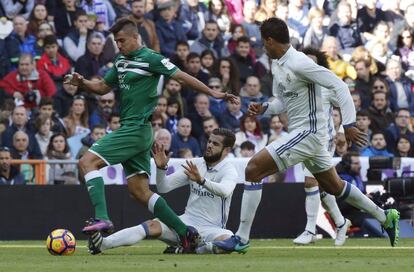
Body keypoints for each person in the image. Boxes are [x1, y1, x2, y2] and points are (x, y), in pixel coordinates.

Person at [214, 18, 400, 253]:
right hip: (305, 136)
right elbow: (283, 101)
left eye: (264, 43)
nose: (263, 47)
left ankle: (240, 238)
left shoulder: (300, 62)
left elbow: (340, 87)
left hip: (309, 134)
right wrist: (265, 108)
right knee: (335, 187)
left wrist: (348, 124)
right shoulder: (278, 64)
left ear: (270, 40)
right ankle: (385, 217)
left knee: (252, 169)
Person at [64, 18, 237, 252]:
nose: (119, 45)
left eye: (122, 40)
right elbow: (103, 87)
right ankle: (186, 232)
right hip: (132, 129)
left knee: (87, 161)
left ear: (136, 37)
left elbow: (181, 76)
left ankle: (102, 217)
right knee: (140, 192)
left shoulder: (152, 58)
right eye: (116, 42)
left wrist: (211, 92)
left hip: (136, 128)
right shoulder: (120, 61)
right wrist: (82, 82)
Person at [87, 128, 239, 255]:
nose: (210, 145)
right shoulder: (196, 163)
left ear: (226, 150)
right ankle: (102, 244)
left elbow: (225, 191)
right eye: (210, 141)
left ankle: (192, 249)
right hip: (186, 224)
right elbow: (163, 187)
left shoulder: (229, 170)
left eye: (215, 144)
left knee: (230, 241)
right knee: (150, 226)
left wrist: (202, 181)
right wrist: (161, 169)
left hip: (212, 228)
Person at [293, 47, 350, 246]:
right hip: (304, 139)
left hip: (323, 140)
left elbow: (346, 102)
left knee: (311, 182)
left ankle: (310, 230)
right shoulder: (297, 86)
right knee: (323, 185)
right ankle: (341, 222)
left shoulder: (326, 85)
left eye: (312, 61)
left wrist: (343, 129)